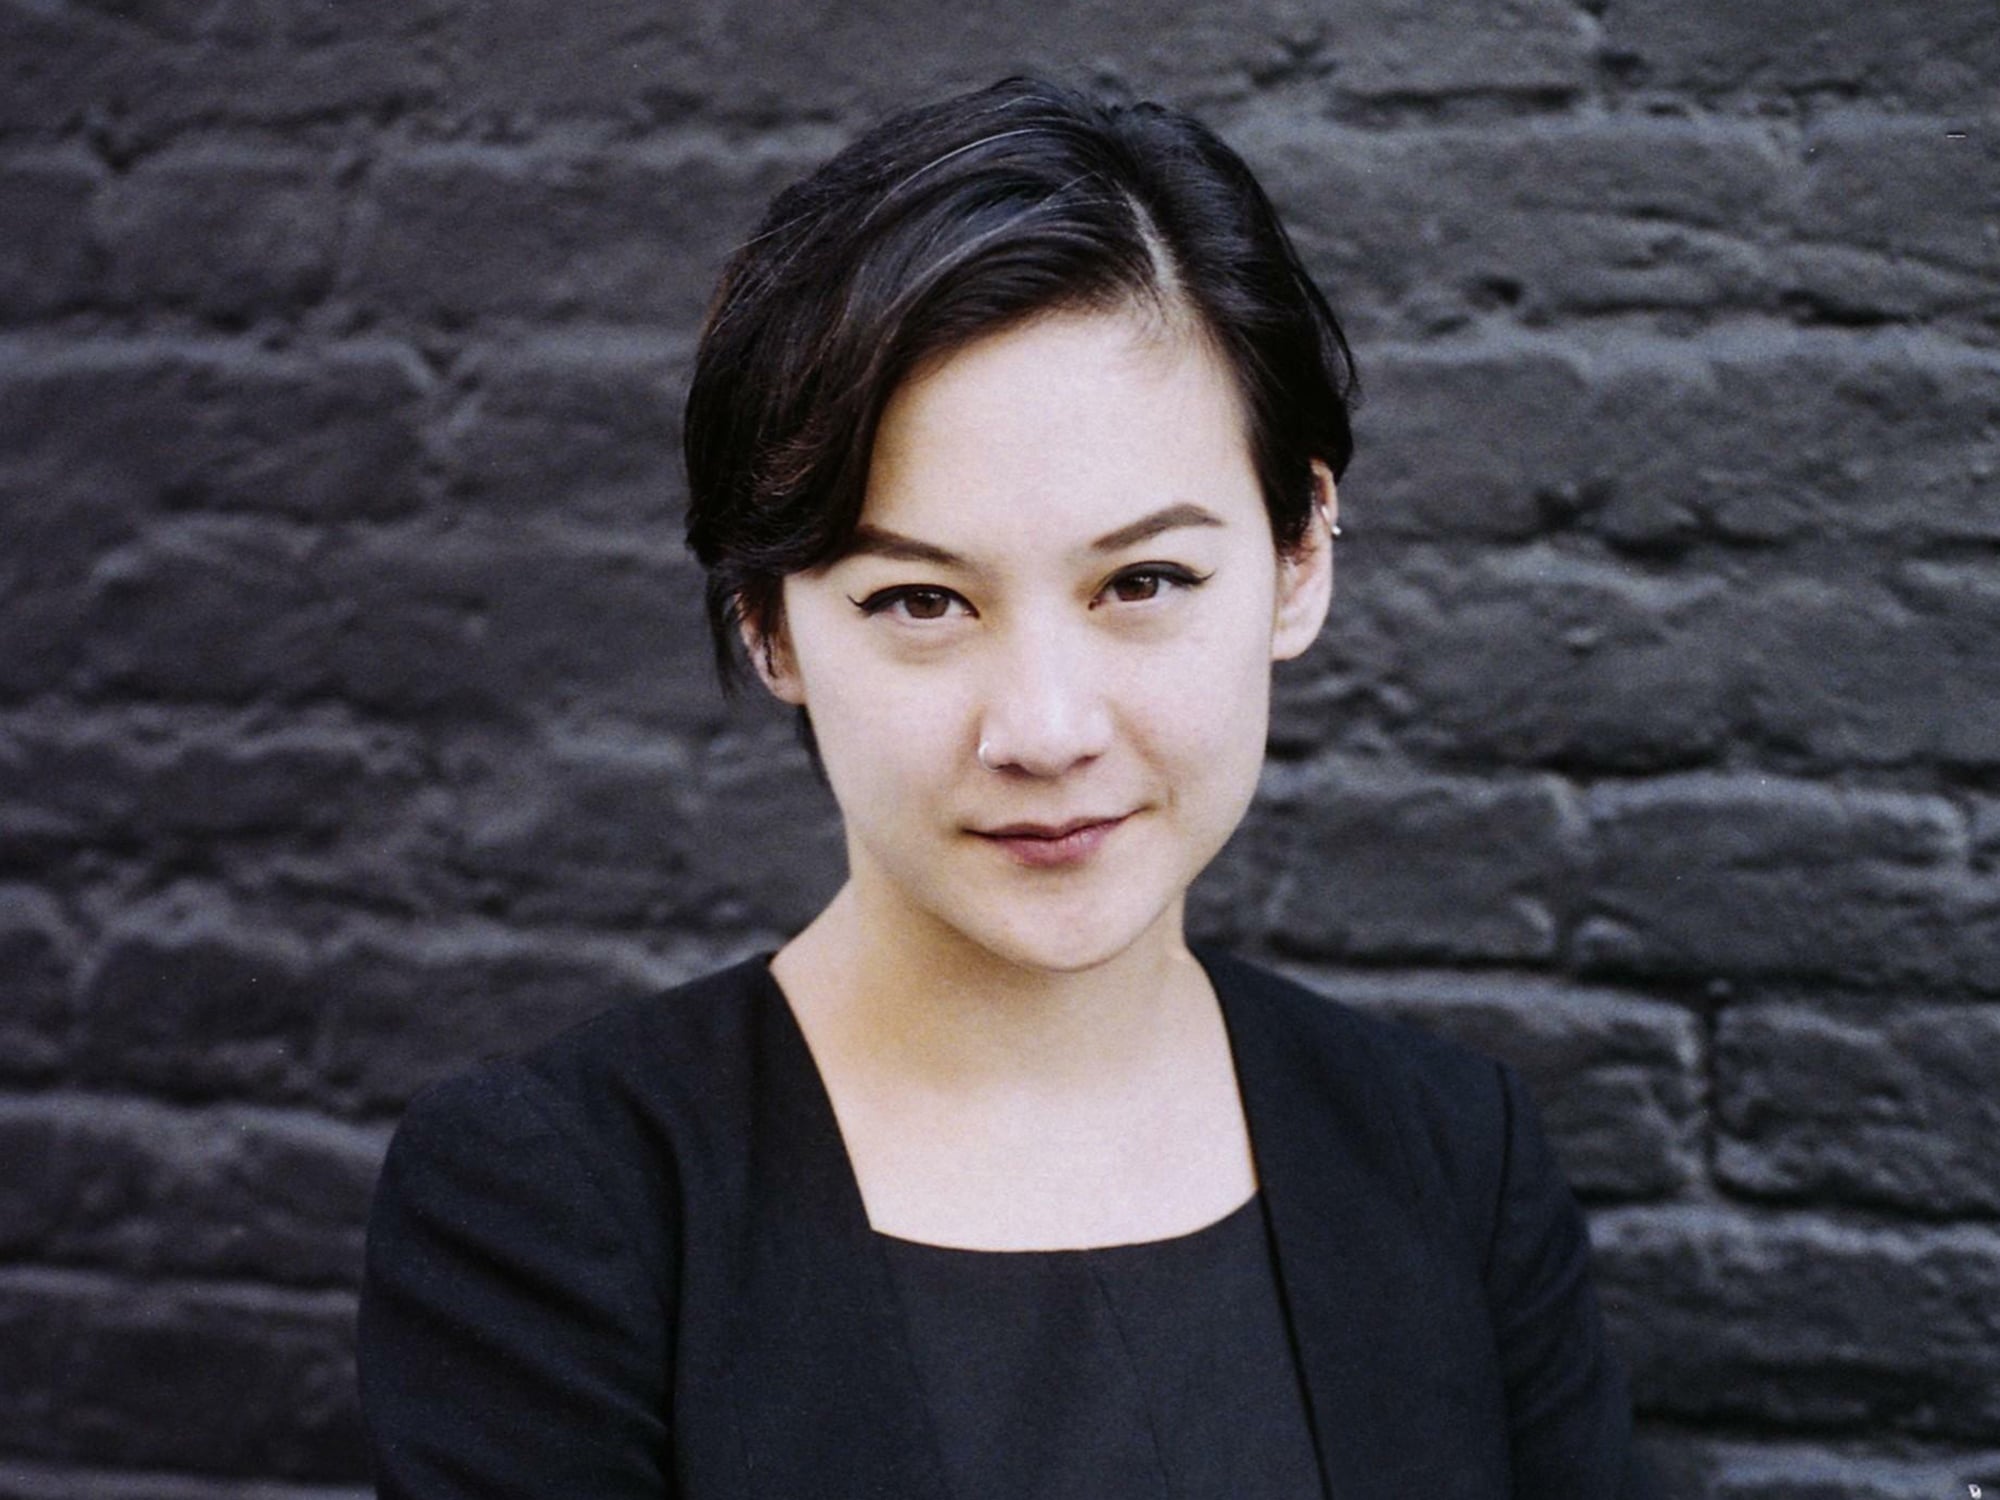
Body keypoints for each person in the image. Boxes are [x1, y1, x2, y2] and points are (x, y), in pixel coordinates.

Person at [357, 76, 1657, 1499]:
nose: (1044, 729)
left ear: (1300, 559)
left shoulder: (1452, 1159)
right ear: (769, 626)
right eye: (921, 601)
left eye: (1143, 581)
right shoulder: (561, 1205)